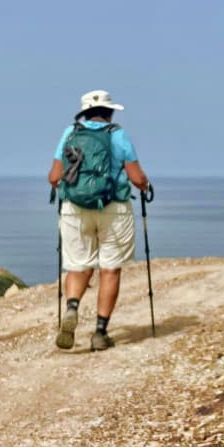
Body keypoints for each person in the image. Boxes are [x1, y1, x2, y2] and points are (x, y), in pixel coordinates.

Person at [47, 89, 150, 352]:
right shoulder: (118, 135)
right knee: (110, 268)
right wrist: (145, 185)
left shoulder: (70, 134)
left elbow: (54, 176)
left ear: (84, 113)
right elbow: (136, 177)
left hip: (75, 208)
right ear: (110, 111)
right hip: (113, 208)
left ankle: (72, 307)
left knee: (78, 266)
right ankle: (100, 332)